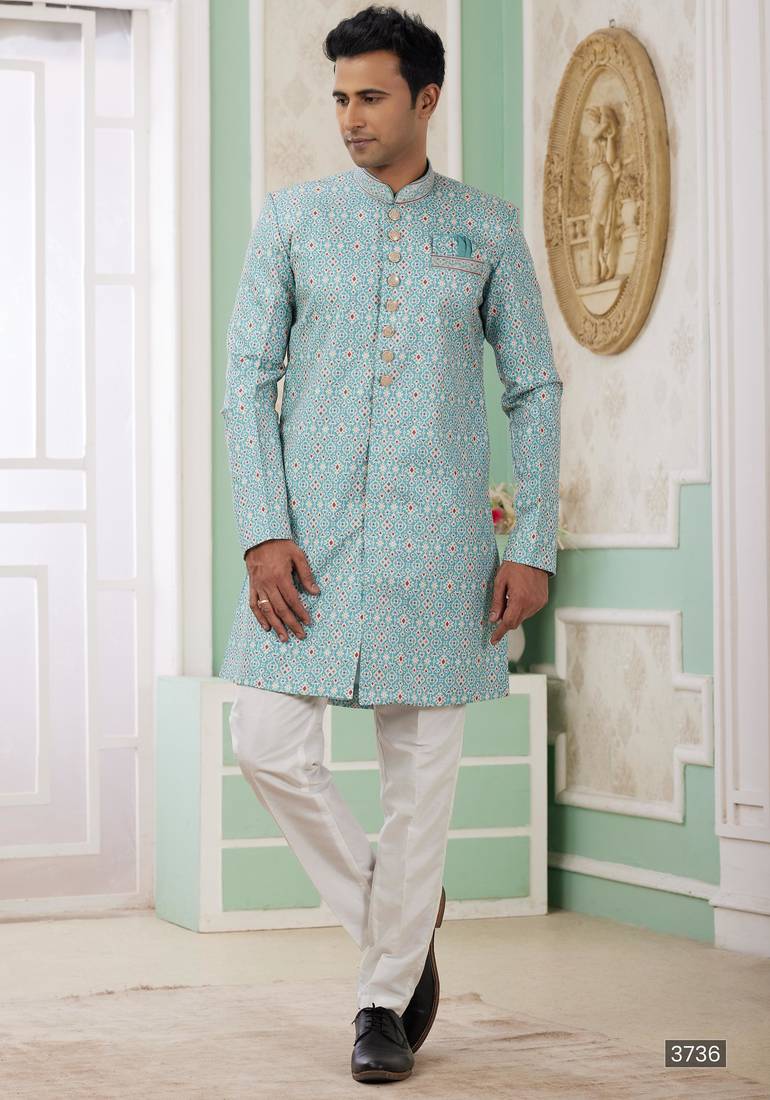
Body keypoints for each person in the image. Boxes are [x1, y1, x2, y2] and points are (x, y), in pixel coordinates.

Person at [219, 4, 563, 1084]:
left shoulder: (486, 230)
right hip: (309, 544)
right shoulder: (292, 219)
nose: (350, 117)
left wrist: (533, 542)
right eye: (339, 98)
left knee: (421, 786)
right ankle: (400, 913)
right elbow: (246, 380)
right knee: (266, 744)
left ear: (425, 98)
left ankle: (381, 1003)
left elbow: (534, 386)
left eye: (370, 96)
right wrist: (263, 528)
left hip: (438, 545)